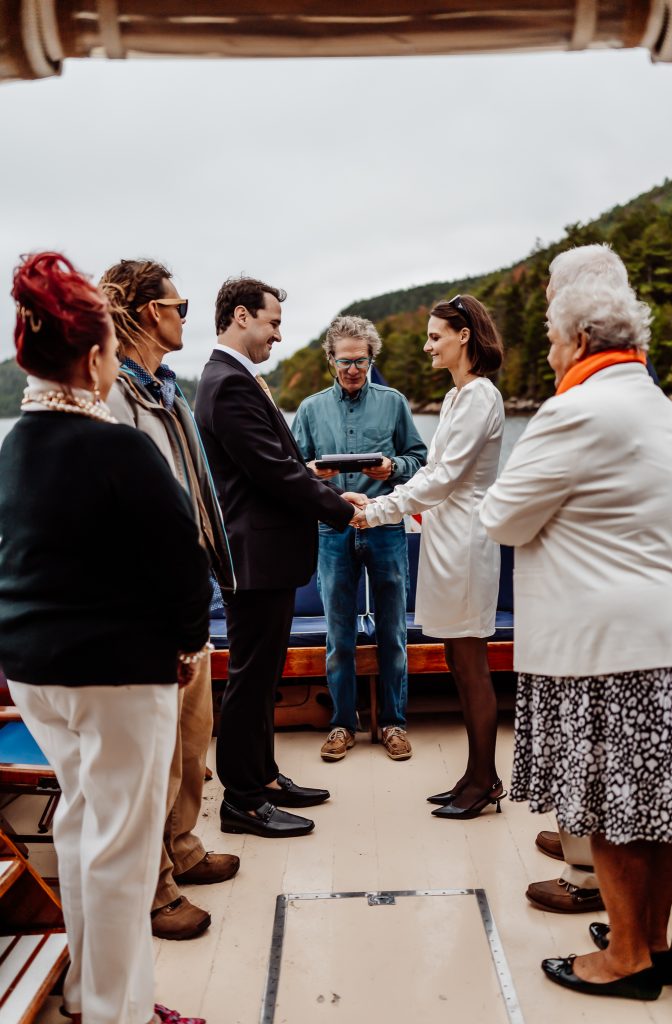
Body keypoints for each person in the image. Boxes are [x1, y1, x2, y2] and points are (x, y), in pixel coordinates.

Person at [0, 252, 211, 1024]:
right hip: (116, 675)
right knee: (122, 856)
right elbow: (182, 562)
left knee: (87, 827)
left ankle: (94, 996)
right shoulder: (118, 447)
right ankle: (119, 1017)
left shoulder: (14, 446)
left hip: (35, 674)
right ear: (93, 358)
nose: (117, 359)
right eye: (114, 349)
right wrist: (189, 647)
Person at [480, 274, 672, 999]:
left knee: (612, 808)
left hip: (604, 648)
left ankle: (625, 958)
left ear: (579, 341)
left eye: (549, 338)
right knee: (659, 806)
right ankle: (654, 941)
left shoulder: (575, 411)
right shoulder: (661, 410)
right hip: (666, 638)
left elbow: (501, 517)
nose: (546, 351)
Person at [99, 259, 240, 942]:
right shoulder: (115, 399)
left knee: (190, 741)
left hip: (190, 593)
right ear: (148, 313)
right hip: (147, 606)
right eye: (179, 304)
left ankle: (183, 848)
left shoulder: (166, 392)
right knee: (150, 754)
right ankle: (154, 890)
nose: (186, 315)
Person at [194, 276, 357, 838]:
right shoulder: (228, 382)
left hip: (264, 553)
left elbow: (273, 466)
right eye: (273, 323)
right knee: (249, 676)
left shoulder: (237, 379)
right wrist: (340, 507)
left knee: (263, 676)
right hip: (253, 556)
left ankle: (262, 777)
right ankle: (241, 799)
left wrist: (319, 481)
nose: (278, 336)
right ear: (241, 316)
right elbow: (270, 471)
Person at [350, 294, 505, 819]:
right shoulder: (459, 397)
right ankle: (475, 774)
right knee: (460, 664)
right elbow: (431, 478)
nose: (427, 345)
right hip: (445, 539)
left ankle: (483, 781)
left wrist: (375, 510)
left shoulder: (481, 396)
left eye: (435, 335)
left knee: (470, 664)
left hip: (466, 543)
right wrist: (391, 503)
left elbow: (440, 478)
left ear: (464, 336)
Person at [292, 315, 427, 761]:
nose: (354, 369)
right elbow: (294, 470)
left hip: (385, 526)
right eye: (346, 361)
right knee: (339, 634)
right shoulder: (310, 409)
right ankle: (342, 726)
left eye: (362, 361)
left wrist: (392, 469)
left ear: (372, 359)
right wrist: (315, 472)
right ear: (331, 360)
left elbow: (417, 458)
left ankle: (393, 723)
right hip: (331, 530)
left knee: (392, 630)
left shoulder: (394, 403)